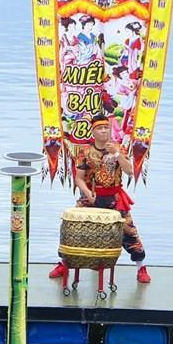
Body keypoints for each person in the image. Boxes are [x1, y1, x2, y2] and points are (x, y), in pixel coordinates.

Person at [48, 113, 151, 283]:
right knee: (72, 228)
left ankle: (141, 266)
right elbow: (79, 178)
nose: (104, 131)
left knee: (129, 231)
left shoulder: (119, 148)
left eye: (106, 128)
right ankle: (64, 263)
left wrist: (117, 154)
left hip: (114, 197)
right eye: (100, 128)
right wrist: (87, 193)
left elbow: (130, 171)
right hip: (91, 197)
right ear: (93, 132)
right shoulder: (86, 152)